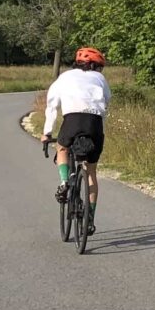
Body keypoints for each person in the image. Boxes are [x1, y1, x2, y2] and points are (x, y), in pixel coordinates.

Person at [40, 47, 110, 235]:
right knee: (91, 171)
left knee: (62, 147)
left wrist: (47, 133)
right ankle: (90, 218)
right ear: (95, 66)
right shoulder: (100, 78)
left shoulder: (65, 77)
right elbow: (106, 103)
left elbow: (52, 106)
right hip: (94, 122)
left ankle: (64, 182)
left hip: (73, 119)